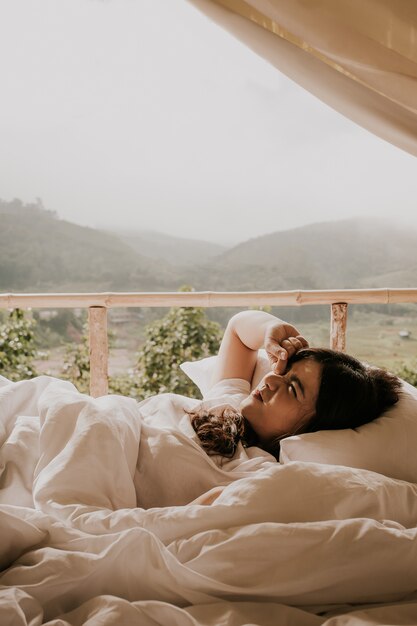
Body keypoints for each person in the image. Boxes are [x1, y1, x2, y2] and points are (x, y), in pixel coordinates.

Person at [189, 310, 401, 462]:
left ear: (316, 429)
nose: (270, 380)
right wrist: (272, 330)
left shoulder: (255, 471)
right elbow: (238, 328)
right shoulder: (229, 404)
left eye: (292, 389)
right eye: (284, 371)